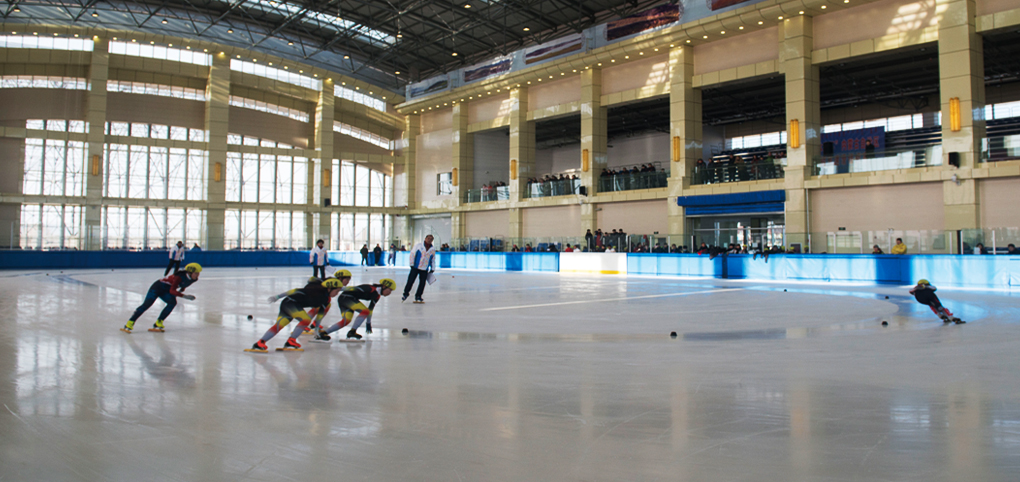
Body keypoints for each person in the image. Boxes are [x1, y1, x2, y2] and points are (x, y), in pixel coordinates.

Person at [248, 277, 345, 352]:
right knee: (306, 320)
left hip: (289, 304)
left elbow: (320, 315)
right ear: (329, 289)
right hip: (290, 303)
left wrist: (316, 329)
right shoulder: (315, 290)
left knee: (280, 325)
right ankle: (291, 341)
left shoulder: (326, 300)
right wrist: (277, 296)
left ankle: (260, 343)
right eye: (336, 291)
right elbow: (295, 290)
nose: (337, 294)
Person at [122, 263, 202, 333]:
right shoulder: (179, 277)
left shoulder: (193, 279)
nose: (198, 275)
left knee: (172, 303)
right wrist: (184, 296)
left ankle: (159, 322)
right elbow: (172, 291)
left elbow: (183, 285)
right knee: (147, 304)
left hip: (166, 290)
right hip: (157, 287)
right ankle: (130, 322)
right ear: (189, 272)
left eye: (198, 273)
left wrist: (182, 289)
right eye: (196, 273)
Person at [317, 279, 396, 341]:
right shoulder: (370, 288)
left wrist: (368, 323)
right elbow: (352, 288)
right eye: (389, 290)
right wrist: (334, 288)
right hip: (346, 297)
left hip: (347, 299)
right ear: (384, 287)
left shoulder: (377, 296)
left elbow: (370, 310)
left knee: (346, 320)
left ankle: (324, 333)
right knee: (364, 311)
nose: (389, 293)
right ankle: (352, 331)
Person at [403, 234, 436, 303]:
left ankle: (418, 295)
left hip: (424, 269)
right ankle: (405, 293)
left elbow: (433, 259)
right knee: (410, 281)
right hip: (416, 267)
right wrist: (411, 264)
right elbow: (412, 254)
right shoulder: (418, 246)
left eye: (431, 239)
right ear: (425, 238)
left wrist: (432, 268)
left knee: (422, 283)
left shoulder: (432, 249)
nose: (429, 240)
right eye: (428, 238)